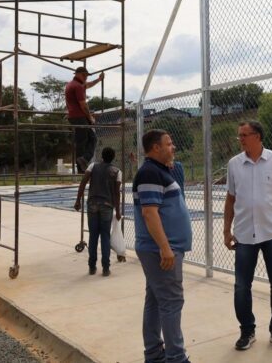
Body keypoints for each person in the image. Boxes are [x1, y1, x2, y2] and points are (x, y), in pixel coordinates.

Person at [223, 120, 272, 351]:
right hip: (245, 235)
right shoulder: (234, 164)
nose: (241, 139)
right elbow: (230, 199)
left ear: (258, 136)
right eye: (239, 136)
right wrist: (226, 230)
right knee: (241, 286)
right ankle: (247, 331)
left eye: (245, 135)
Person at [133, 129, 192, 363]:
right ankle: (176, 357)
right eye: (169, 144)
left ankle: (154, 353)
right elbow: (149, 213)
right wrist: (165, 248)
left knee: (156, 300)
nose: (173, 147)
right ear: (156, 147)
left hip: (161, 248)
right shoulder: (149, 173)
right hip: (161, 250)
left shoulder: (158, 170)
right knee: (171, 302)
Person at [74, 147, 122, 276]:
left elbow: (83, 183)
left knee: (93, 235)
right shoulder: (117, 171)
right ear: (113, 158)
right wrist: (118, 211)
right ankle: (106, 267)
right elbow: (117, 194)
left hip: (92, 205)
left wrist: (78, 200)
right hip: (107, 206)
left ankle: (92, 266)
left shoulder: (92, 166)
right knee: (105, 236)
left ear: (101, 156)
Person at [65, 66, 104, 173]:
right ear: (77, 74)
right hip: (79, 116)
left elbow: (87, 85)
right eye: (84, 75)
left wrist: (98, 80)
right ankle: (83, 161)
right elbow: (83, 105)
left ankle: (81, 164)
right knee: (88, 140)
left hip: (74, 116)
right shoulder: (77, 86)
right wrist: (90, 117)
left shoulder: (72, 84)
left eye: (86, 76)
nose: (85, 78)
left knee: (84, 140)